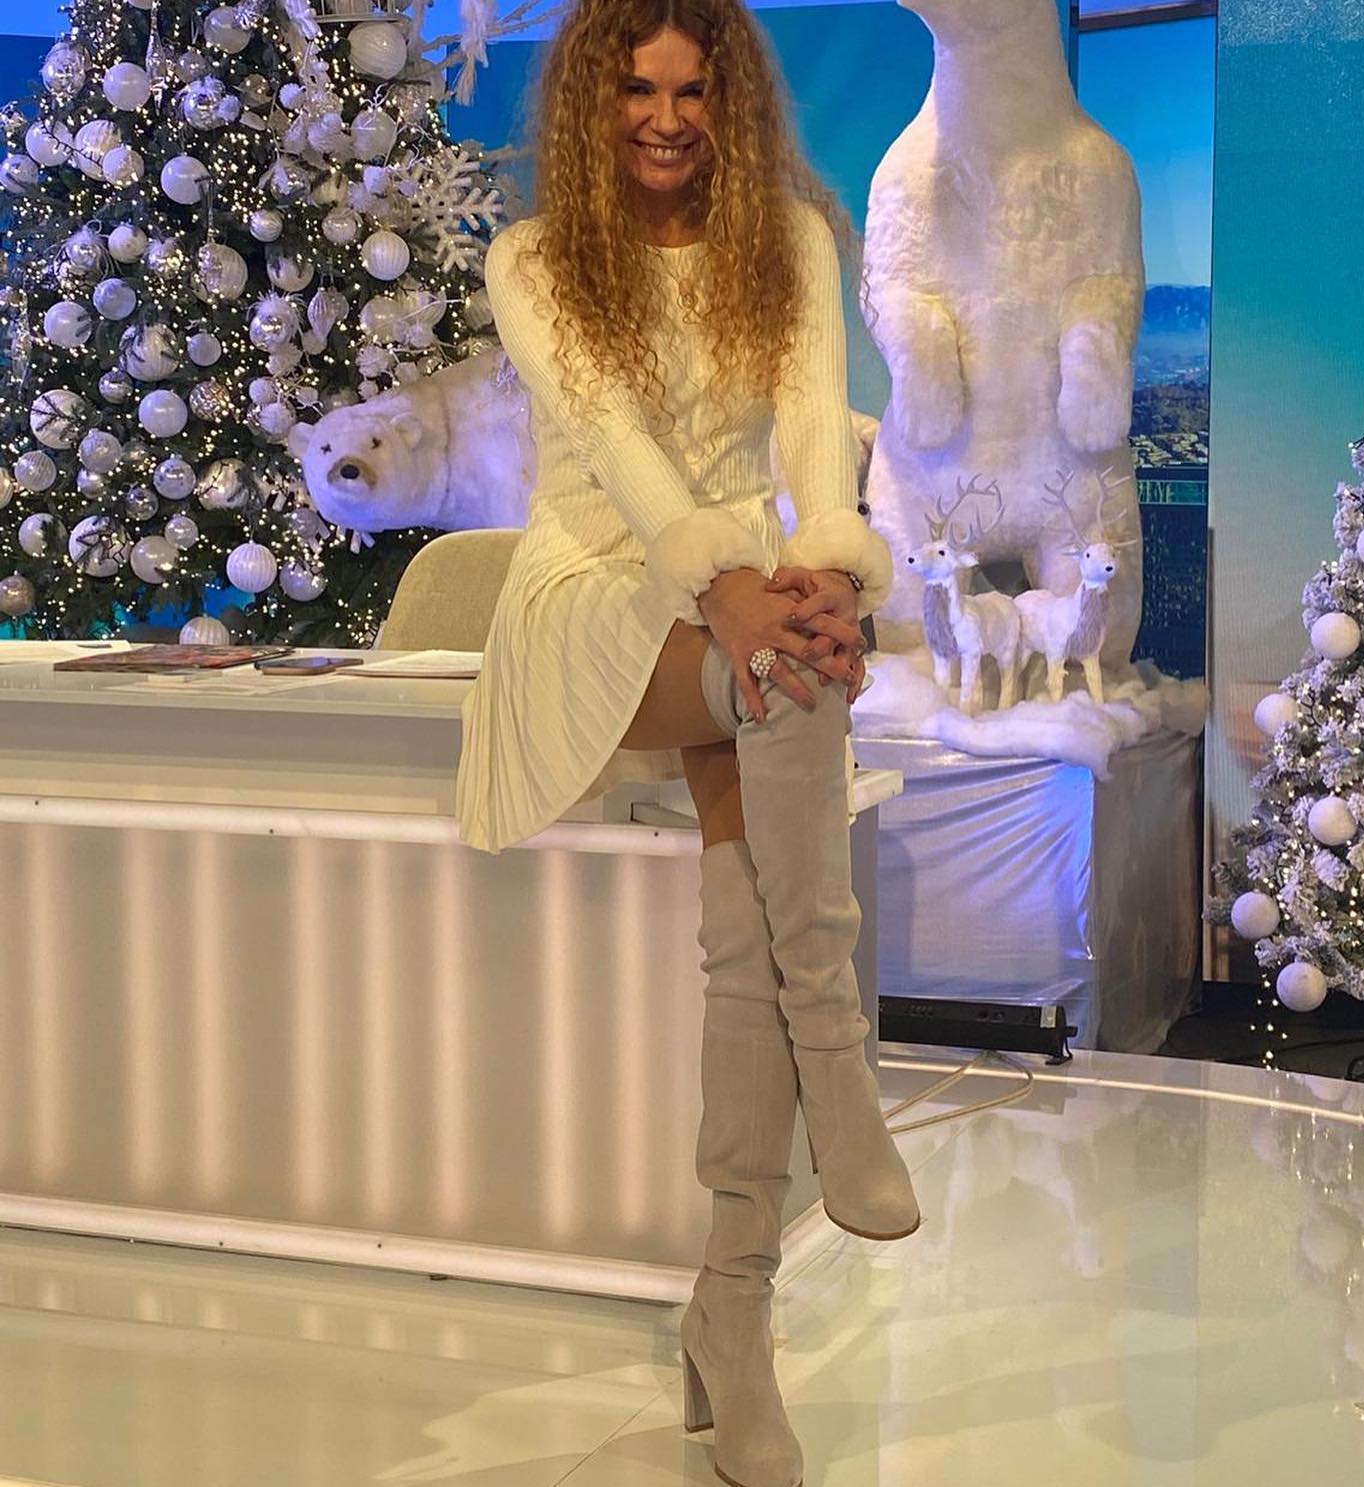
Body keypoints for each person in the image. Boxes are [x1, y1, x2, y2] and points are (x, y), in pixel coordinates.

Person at [455, 3, 920, 1483]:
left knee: (748, 907)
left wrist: (827, 573)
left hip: (743, 602)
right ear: (594, 104)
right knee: (780, 676)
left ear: (734, 102)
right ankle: (840, 1058)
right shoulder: (534, 261)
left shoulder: (789, 242)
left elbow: (811, 435)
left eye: (695, 90)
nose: (667, 118)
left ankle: (734, 1314)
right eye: (638, 91)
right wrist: (728, 589)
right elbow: (616, 448)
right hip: (595, 588)